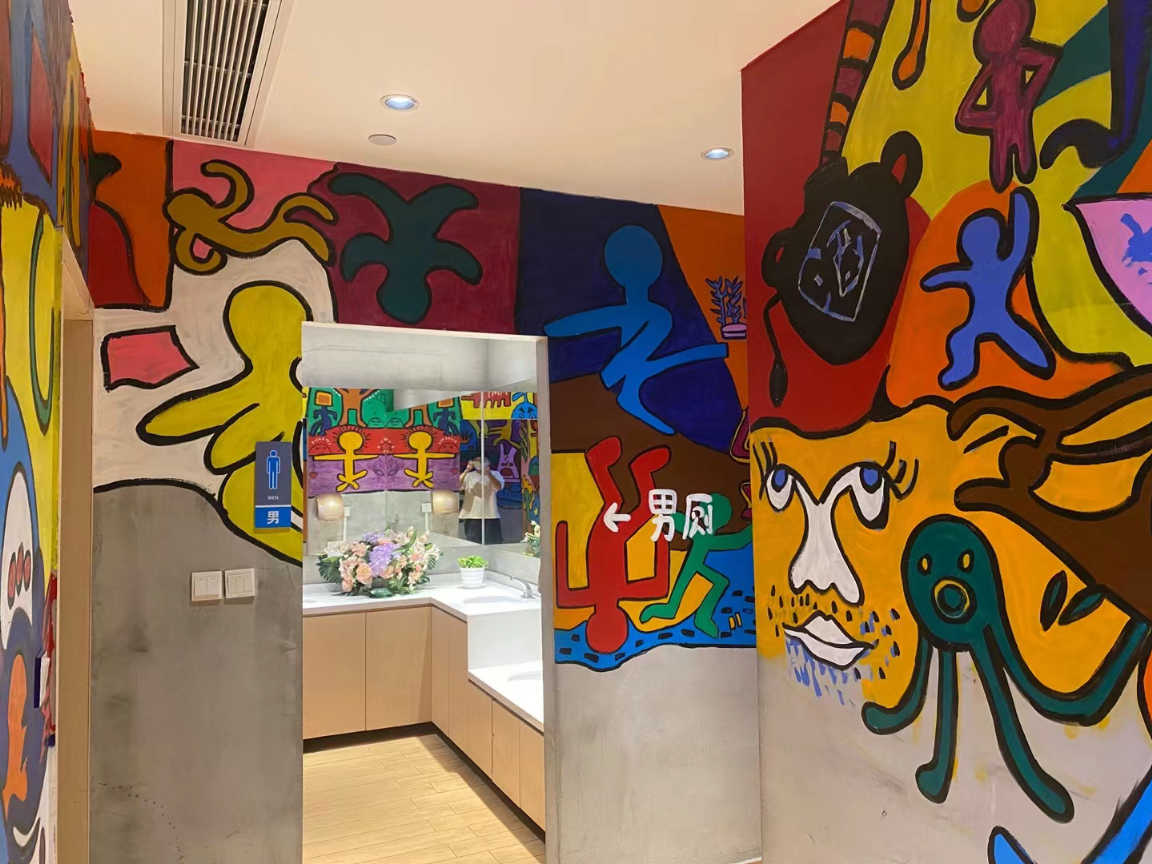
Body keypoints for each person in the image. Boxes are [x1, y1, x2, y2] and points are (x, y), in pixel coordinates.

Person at [459, 453, 505, 544]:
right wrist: (467, 470)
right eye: (477, 461)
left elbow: (499, 486)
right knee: (473, 543)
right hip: (472, 515)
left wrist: (488, 474)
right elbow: (458, 485)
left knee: (493, 543)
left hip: (491, 515)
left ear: (488, 463)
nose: (479, 463)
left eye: (482, 461)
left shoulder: (495, 474)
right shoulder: (469, 475)